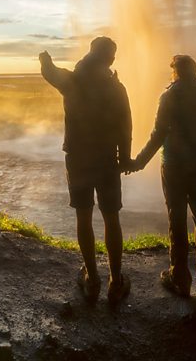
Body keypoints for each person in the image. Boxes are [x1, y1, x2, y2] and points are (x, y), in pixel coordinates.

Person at [39, 37, 133, 303]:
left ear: (90, 53)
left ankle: (92, 279)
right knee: (111, 218)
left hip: (78, 158)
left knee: (83, 216)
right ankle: (116, 281)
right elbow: (126, 124)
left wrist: (45, 59)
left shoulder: (73, 80)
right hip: (107, 159)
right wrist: (125, 158)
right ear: (110, 58)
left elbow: (49, 72)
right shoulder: (116, 87)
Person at [126, 54, 196, 298]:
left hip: (174, 166)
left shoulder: (169, 96)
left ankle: (179, 278)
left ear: (176, 72)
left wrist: (139, 162)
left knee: (176, 218)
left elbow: (158, 134)